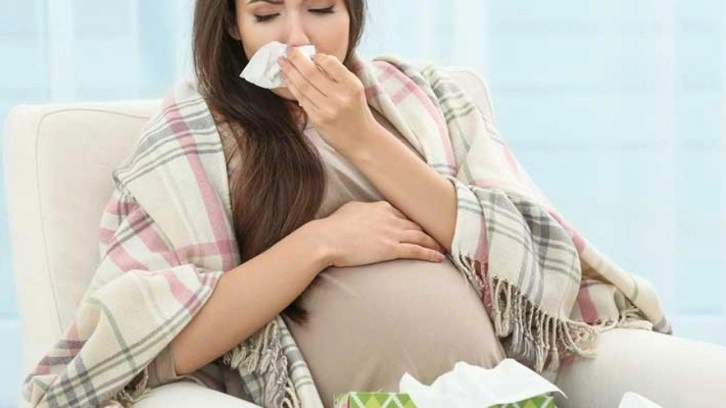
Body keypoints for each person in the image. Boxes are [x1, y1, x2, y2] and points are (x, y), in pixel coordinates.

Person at [21, 0, 726, 407]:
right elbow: (157, 339)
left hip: (504, 393)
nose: (297, 38)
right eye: (266, 13)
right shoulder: (195, 141)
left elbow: (536, 264)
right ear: (232, 24)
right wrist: (322, 243)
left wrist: (361, 136)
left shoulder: (424, 101)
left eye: (321, 9)